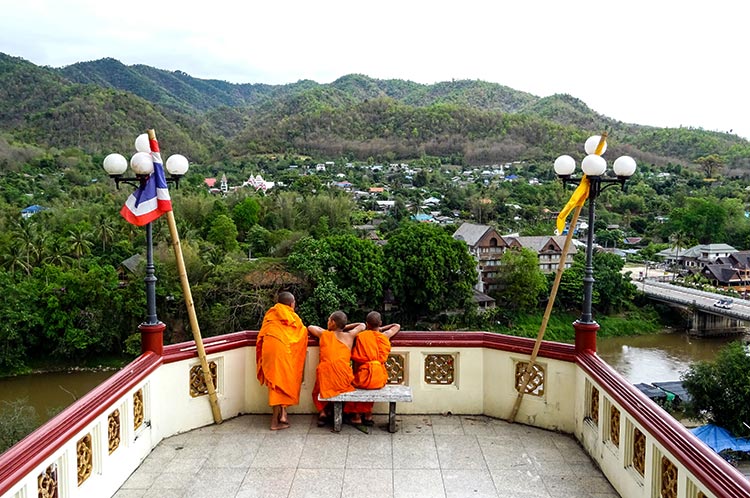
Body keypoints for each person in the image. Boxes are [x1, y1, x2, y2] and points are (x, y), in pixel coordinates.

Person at [256, 291, 308, 430]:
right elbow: (301, 334)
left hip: (270, 349)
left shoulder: (271, 314)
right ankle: (274, 423)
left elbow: (262, 334)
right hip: (283, 351)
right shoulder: (293, 317)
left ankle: (283, 414)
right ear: (292, 304)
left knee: (276, 383)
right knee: (281, 383)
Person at [308, 311, 365, 426]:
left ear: (333, 322)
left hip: (326, 376)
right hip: (343, 377)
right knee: (348, 384)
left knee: (317, 390)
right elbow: (362, 325)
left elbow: (310, 327)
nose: (327, 322)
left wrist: (336, 328)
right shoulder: (350, 335)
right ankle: (351, 413)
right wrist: (343, 327)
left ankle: (323, 412)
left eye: (329, 320)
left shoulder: (324, 334)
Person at [345, 311, 400, 425]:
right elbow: (397, 326)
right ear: (380, 323)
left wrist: (371, 328)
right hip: (379, 376)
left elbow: (356, 360)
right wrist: (379, 328)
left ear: (367, 324)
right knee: (373, 381)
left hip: (363, 373)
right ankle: (368, 414)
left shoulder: (361, 336)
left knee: (355, 384)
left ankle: (356, 416)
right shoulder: (385, 335)